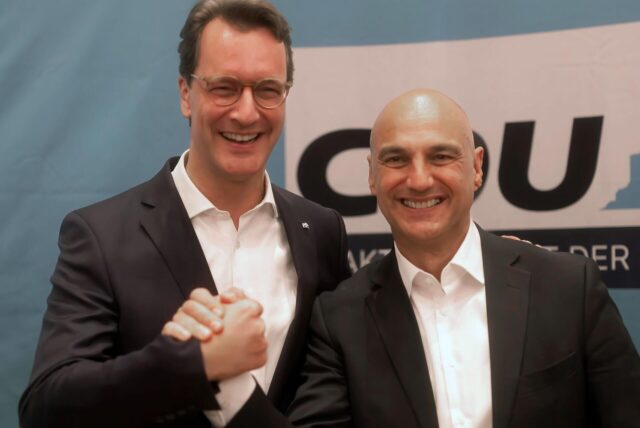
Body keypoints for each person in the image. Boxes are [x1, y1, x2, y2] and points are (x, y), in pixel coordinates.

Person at [170, 88, 640, 427]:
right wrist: (226, 379)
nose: (418, 179)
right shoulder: (340, 320)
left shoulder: (567, 287)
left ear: (476, 168)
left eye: (441, 157)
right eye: (396, 160)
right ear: (372, 177)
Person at [19, 1, 351, 427]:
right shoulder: (102, 236)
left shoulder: (322, 232)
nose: (246, 112)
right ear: (185, 94)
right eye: (224, 87)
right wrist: (193, 363)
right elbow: (46, 408)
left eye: (268, 89)